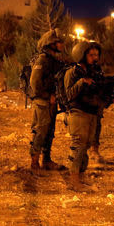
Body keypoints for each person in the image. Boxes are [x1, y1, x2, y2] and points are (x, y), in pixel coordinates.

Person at [64, 41, 103, 191]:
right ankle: (74, 182)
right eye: (91, 54)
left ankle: (80, 178)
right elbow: (69, 95)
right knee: (78, 146)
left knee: (85, 146)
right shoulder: (73, 72)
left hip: (91, 112)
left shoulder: (93, 71)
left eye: (97, 55)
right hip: (78, 113)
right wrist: (81, 82)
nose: (95, 57)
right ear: (82, 55)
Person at [29, 29, 65, 171]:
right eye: (59, 42)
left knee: (50, 132)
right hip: (43, 102)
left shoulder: (53, 60)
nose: (62, 44)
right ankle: (34, 162)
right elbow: (34, 83)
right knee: (41, 131)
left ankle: (46, 160)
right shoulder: (43, 60)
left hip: (50, 101)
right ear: (51, 44)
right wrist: (46, 96)